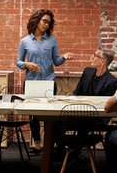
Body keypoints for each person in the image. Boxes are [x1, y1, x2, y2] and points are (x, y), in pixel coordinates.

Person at [16, 8, 74, 154]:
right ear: (36, 21)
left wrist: (64, 57)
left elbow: (56, 61)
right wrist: (26, 65)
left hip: (48, 82)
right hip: (31, 82)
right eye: (44, 21)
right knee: (33, 115)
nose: (47, 25)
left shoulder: (52, 40)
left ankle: (52, 144)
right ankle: (37, 144)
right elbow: (18, 61)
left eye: (49, 22)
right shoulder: (25, 41)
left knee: (51, 114)